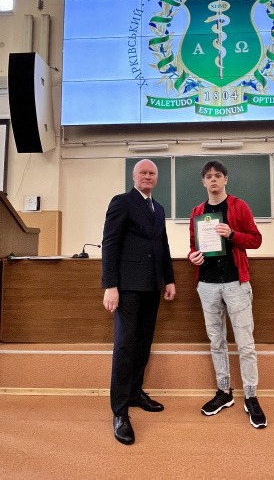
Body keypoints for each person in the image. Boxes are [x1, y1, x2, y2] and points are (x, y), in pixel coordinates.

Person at [188, 159, 267, 429]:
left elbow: (255, 240)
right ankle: (224, 392)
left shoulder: (239, 206)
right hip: (207, 285)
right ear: (203, 182)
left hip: (236, 284)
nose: (213, 179)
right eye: (208, 176)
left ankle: (251, 396)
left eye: (218, 175)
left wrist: (232, 234)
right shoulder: (197, 212)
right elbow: (192, 247)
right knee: (216, 342)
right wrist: (192, 257)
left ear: (225, 180)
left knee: (245, 343)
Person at [102, 158, 176, 445]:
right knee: (125, 346)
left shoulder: (159, 208)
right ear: (134, 176)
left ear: (156, 178)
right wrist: (111, 285)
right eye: (143, 172)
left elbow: (162, 245)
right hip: (128, 287)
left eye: (152, 173)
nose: (147, 176)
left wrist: (169, 279)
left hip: (152, 286)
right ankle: (120, 412)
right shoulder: (122, 202)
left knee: (143, 343)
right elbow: (110, 243)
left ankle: (134, 392)